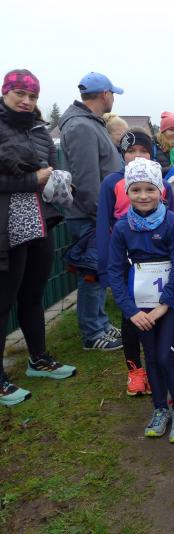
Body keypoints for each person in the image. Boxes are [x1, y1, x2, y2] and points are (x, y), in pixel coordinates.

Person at [0, 69, 77, 407]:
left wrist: (50, 180)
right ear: (5, 92)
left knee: (33, 295)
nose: (26, 101)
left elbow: (49, 169)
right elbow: (34, 176)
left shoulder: (39, 128)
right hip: (7, 225)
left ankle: (39, 359)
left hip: (39, 220)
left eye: (32, 96)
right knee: (3, 302)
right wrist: (32, 179)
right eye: (20, 93)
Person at [107, 158, 174, 442]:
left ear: (161, 191)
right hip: (139, 307)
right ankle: (160, 408)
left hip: (168, 304)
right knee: (152, 357)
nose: (143, 196)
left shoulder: (172, 222)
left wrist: (164, 305)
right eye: (136, 190)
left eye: (149, 189)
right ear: (127, 193)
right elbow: (115, 271)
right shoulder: (122, 228)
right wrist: (131, 311)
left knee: (166, 354)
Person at [96, 129, 173, 395]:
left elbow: (171, 220)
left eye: (144, 151)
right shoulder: (112, 182)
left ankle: (157, 369)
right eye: (131, 151)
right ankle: (135, 371)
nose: (138, 156)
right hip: (127, 260)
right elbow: (103, 223)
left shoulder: (162, 183)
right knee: (130, 318)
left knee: (158, 315)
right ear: (123, 153)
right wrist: (106, 267)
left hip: (157, 263)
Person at [59, 71, 125, 351]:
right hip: (90, 215)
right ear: (105, 95)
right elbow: (86, 179)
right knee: (92, 271)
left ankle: (99, 322)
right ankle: (93, 332)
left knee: (99, 270)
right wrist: (102, 216)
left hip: (95, 213)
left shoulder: (88, 123)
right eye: (113, 95)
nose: (113, 100)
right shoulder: (81, 127)